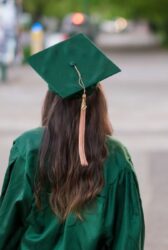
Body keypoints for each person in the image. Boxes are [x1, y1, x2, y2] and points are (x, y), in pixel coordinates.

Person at [0, 34, 145, 249]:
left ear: (51, 101)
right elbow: (127, 235)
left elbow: (8, 224)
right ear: (98, 104)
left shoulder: (28, 147)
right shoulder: (116, 156)